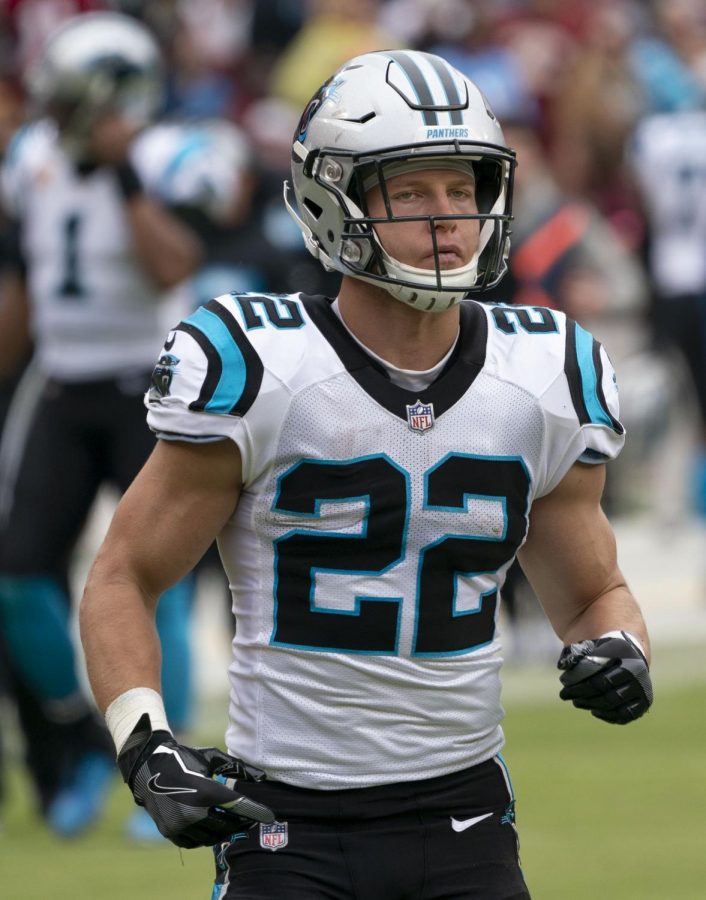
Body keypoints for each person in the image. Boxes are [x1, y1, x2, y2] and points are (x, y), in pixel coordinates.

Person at [80, 50, 653, 899]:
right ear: (330, 198)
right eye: (412, 192)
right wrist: (147, 745)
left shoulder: (544, 374)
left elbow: (592, 593)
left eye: (463, 190)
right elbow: (124, 573)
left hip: (465, 817)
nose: (446, 218)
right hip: (284, 823)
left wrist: (621, 647)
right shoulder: (262, 363)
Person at [0, 11, 250, 840]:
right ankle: (79, 729)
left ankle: (168, 756)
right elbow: (19, 286)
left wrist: (123, 178)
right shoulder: (31, 160)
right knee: (18, 575)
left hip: (150, 387)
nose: (55, 116)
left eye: (71, 100)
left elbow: (174, 264)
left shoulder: (169, 158)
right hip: (63, 387)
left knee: (160, 584)